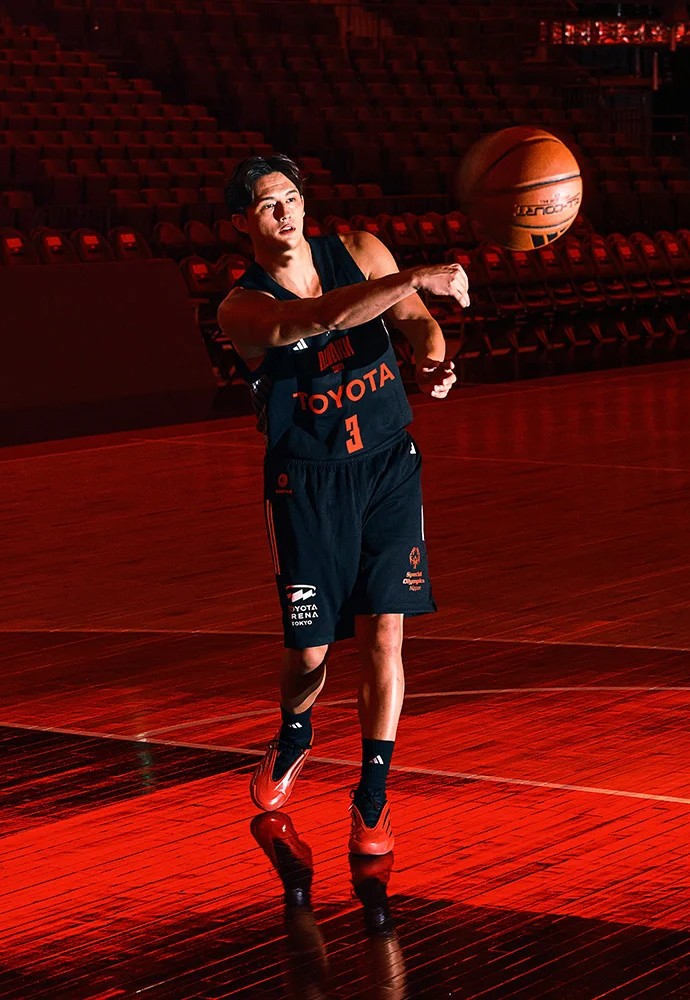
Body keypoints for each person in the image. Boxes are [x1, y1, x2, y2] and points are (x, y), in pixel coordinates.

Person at [218, 153, 468, 856]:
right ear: (242, 222)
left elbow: (416, 321)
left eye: (292, 197)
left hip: (387, 463)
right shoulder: (242, 307)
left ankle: (373, 797)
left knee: (385, 632)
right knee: (310, 653)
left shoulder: (361, 251)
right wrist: (412, 276)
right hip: (307, 482)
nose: (285, 212)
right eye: (267, 204)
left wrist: (432, 359)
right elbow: (322, 316)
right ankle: (295, 730)